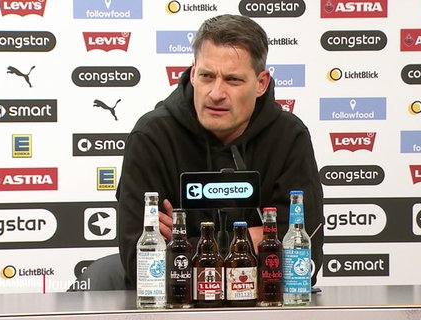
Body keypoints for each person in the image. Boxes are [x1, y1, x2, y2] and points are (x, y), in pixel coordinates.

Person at [116, 14, 324, 290]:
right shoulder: (151, 137)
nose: (216, 93)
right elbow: (141, 265)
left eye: (233, 80)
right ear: (193, 73)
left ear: (261, 83)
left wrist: (182, 245)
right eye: (206, 76)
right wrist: (259, 239)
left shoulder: (289, 137)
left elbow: (301, 262)